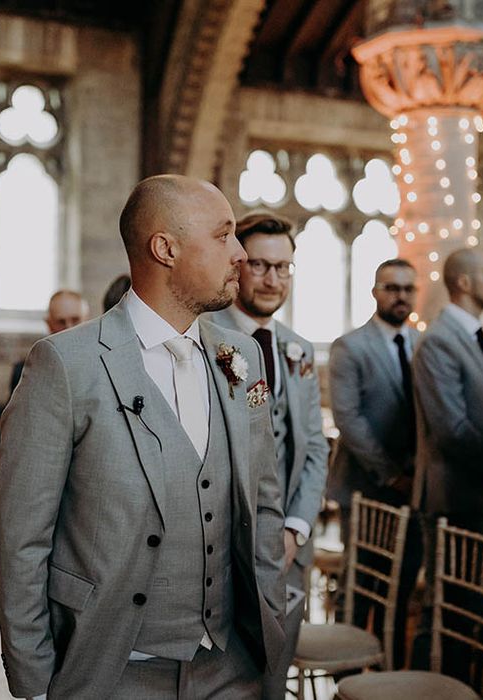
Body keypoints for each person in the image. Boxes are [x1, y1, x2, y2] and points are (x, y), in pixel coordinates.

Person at [0, 175, 286, 700]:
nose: (239, 254)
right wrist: (34, 680)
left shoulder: (241, 358)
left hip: (234, 665)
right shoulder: (65, 365)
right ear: (165, 248)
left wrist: (276, 624)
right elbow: (20, 536)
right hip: (114, 668)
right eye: (223, 236)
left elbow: (263, 499)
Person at [206, 211, 328, 699]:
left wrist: (296, 528)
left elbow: (315, 447)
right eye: (259, 265)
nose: (272, 279)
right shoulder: (202, 336)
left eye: (283, 268)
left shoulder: (297, 350)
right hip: (218, 540)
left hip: (288, 547)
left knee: (273, 673)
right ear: (236, 265)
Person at [328, 258, 422, 670]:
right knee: (360, 579)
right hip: (366, 483)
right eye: (391, 287)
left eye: (407, 288)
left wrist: (416, 472)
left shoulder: (423, 343)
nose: (400, 295)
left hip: (414, 486)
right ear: (375, 291)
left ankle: (389, 663)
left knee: (401, 580)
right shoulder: (351, 345)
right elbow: (349, 419)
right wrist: (391, 473)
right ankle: (344, 670)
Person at [412, 247, 483, 535]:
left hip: (480, 495)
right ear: (464, 283)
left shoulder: (475, 335)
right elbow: (451, 429)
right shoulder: (439, 340)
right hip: (455, 498)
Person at [9, 289, 89, 395]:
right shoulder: (26, 371)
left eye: (75, 320)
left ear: (87, 320)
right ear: (49, 324)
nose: (69, 328)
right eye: (61, 322)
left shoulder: (102, 364)